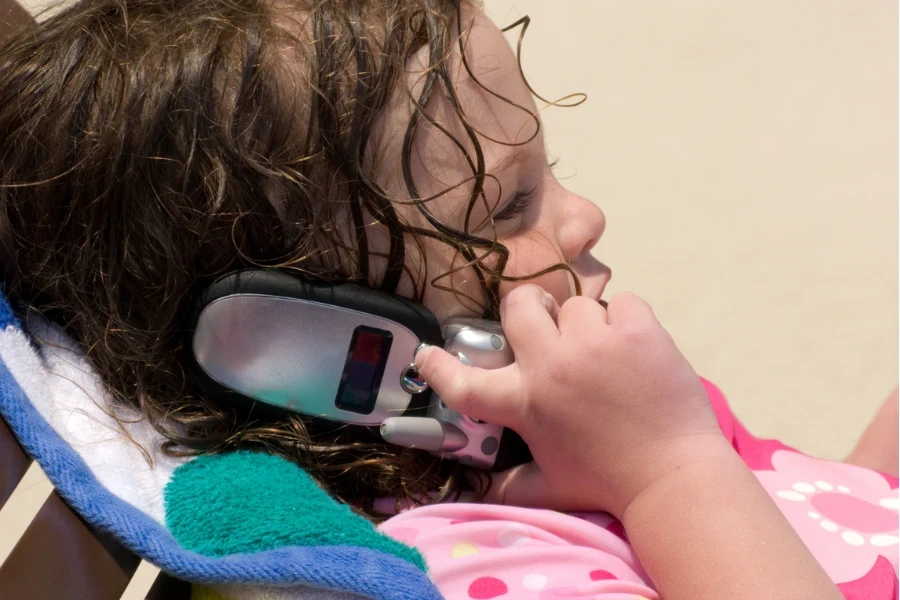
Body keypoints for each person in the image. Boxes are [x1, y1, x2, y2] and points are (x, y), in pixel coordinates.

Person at [0, 0, 895, 598]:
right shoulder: (498, 557)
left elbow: (826, 512)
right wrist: (669, 472)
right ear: (296, 341)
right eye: (510, 205)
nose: (585, 217)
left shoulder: (588, 425)